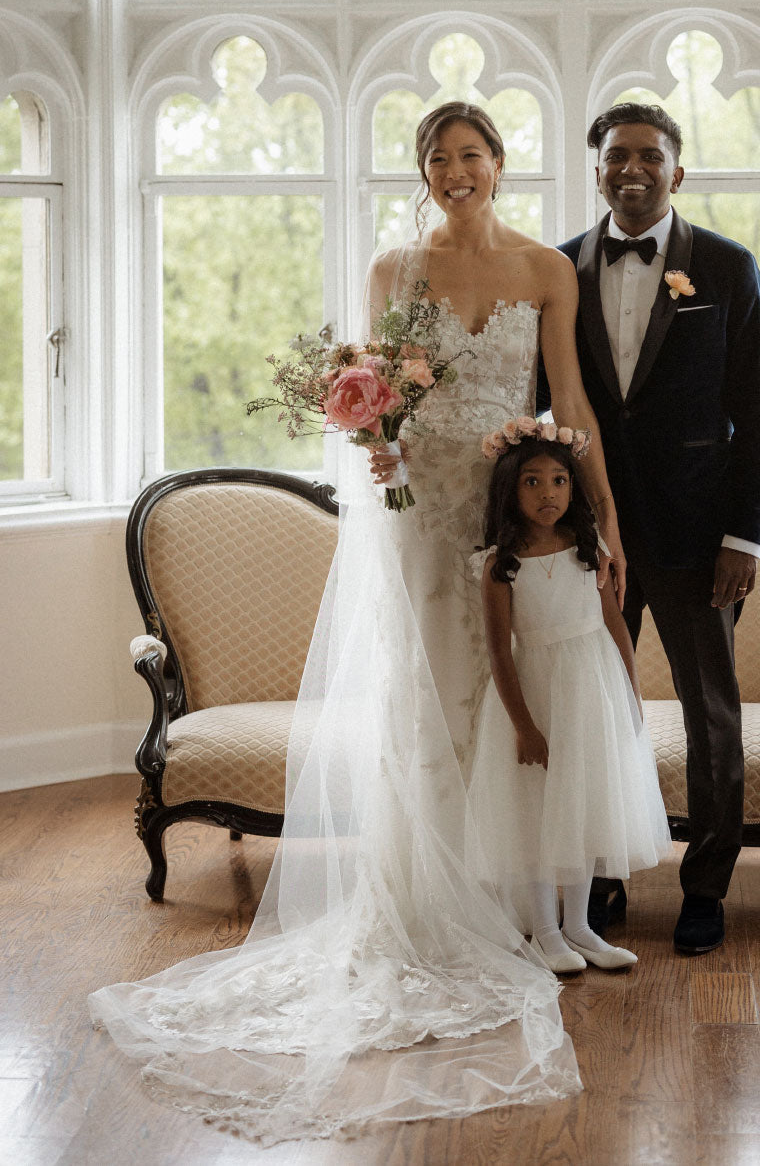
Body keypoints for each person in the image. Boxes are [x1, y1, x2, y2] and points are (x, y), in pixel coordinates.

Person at [90, 101, 627, 1143]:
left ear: (502, 165)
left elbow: (571, 400)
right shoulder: (396, 265)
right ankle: (439, 904)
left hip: (519, 506)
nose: (456, 171)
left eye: (471, 155)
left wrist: (603, 518)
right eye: (438, 159)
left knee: (522, 692)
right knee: (438, 697)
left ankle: (523, 906)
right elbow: (379, 396)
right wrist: (376, 442)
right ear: (424, 173)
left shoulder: (546, 271)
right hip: (424, 510)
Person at [547, 102, 760, 956]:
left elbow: (756, 413)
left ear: (677, 172)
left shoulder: (727, 266)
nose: (631, 168)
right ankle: (601, 877)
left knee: (709, 714)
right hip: (586, 536)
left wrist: (744, 535)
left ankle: (706, 886)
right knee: (596, 709)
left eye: (650, 155)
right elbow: (546, 399)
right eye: (616, 155)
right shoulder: (560, 269)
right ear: (597, 168)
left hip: (696, 534)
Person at [466, 427, 670, 976]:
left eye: (558, 480)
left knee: (583, 806)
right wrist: (524, 727)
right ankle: (546, 931)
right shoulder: (499, 565)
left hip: (591, 691)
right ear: (510, 490)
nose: (547, 493)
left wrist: (630, 693)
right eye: (532, 481)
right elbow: (500, 656)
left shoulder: (591, 551)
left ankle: (580, 926)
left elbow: (616, 628)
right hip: (535, 691)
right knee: (536, 812)